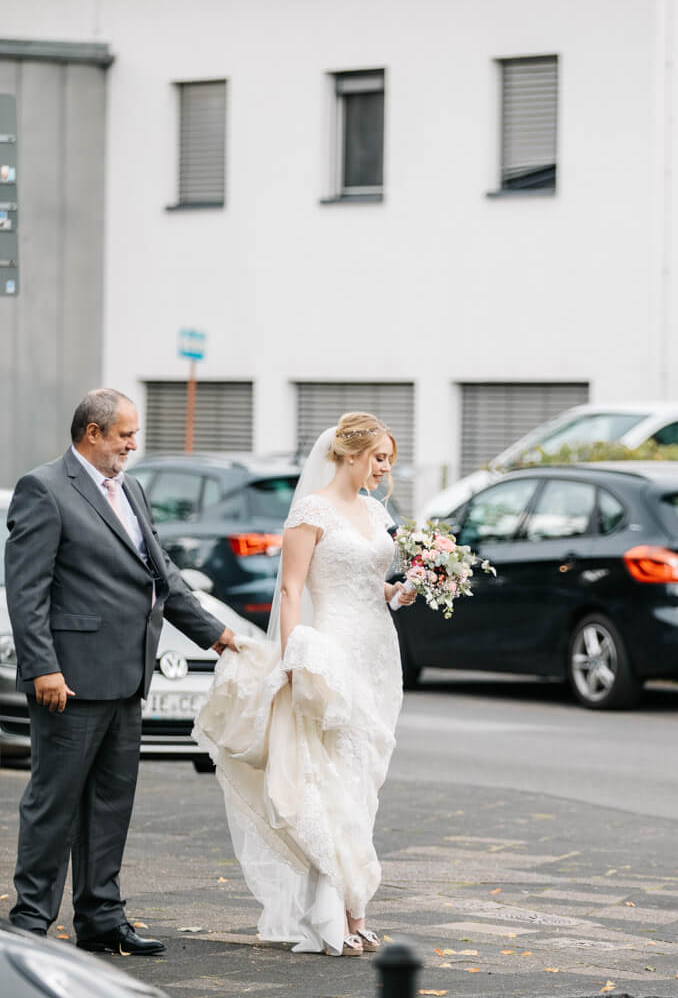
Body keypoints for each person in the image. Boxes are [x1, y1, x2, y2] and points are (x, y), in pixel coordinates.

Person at [5, 389, 237, 955]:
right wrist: (43, 668)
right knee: (54, 804)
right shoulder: (45, 489)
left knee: (111, 802)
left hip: (128, 676)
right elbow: (26, 590)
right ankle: (30, 926)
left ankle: (102, 919)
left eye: (133, 435)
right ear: (92, 434)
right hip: (69, 680)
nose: (133, 445)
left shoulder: (130, 488)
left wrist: (218, 633)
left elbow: (162, 574)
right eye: (124, 435)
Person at [196, 413, 415, 956]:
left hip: (379, 652)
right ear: (349, 453)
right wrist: (295, 656)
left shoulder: (374, 510)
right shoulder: (310, 511)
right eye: (379, 457)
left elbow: (368, 580)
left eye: (389, 458)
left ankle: (351, 902)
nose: (385, 468)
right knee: (333, 775)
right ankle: (339, 911)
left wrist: (397, 593)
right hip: (332, 650)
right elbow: (292, 591)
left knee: (366, 775)